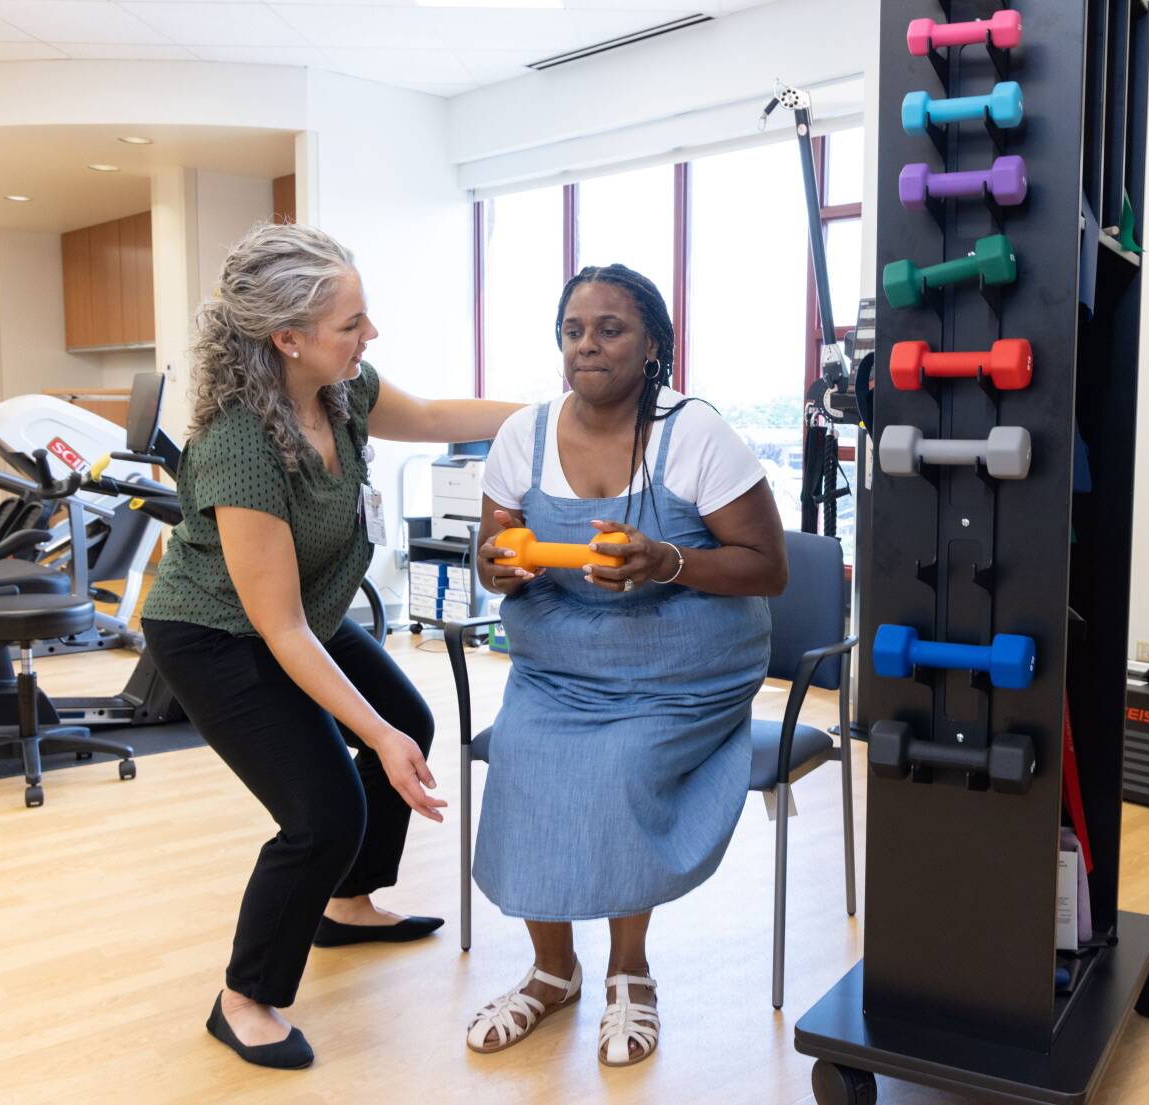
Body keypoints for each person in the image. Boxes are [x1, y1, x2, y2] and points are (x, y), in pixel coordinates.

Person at [140, 222, 520, 1070]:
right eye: (352, 323)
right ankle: (245, 996)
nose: (369, 335)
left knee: (407, 719)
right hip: (215, 633)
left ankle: (345, 905)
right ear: (288, 338)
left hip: (302, 611)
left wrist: (554, 414)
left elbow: (430, 415)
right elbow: (276, 630)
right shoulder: (240, 443)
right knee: (322, 812)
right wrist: (371, 738)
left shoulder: (341, 390)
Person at [465, 264, 787, 1067]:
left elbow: (767, 566)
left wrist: (667, 561)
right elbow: (487, 551)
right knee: (523, 756)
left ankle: (629, 973)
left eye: (609, 329)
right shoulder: (523, 435)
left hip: (681, 665)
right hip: (562, 662)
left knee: (617, 767)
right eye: (573, 330)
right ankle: (551, 971)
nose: (587, 344)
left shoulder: (696, 434)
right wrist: (500, 565)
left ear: (652, 345)